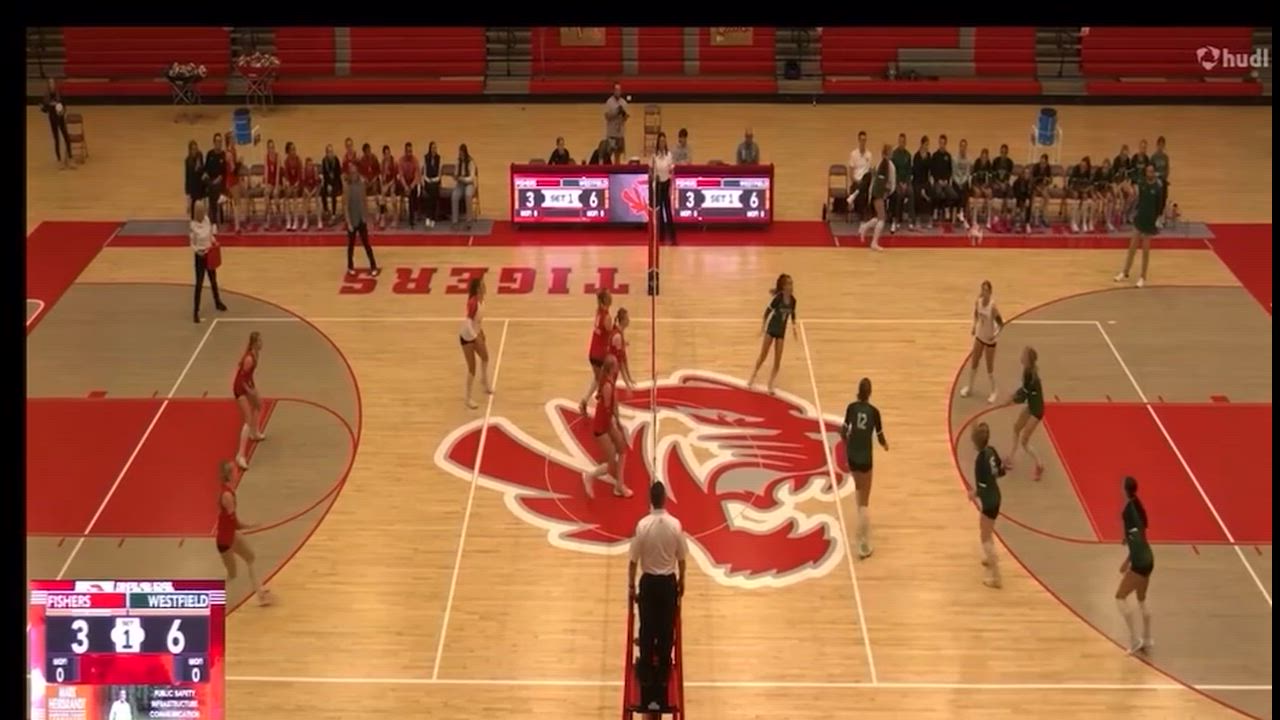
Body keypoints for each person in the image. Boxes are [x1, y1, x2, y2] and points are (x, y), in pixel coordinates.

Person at [628, 481, 686, 713]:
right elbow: (681, 558)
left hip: (649, 584)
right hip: (667, 584)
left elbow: (633, 561)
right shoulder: (675, 525)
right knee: (665, 629)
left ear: (650, 500)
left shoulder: (643, 525)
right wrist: (682, 581)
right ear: (665, 499)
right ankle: (663, 670)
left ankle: (645, 670)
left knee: (647, 629)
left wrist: (631, 586)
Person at [840, 377, 889, 559]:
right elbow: (880, 436)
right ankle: (862, 542)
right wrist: (885, 445)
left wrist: (848, 443)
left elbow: (843, 431)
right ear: (870, 393)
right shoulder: (874, 412)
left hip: (852, 456)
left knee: (859, 490)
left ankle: (861, 525)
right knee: (864, 502)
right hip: (866, 459)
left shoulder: (851, 408)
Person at [216, 460, 273, 606]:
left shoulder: (229, 491)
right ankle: (214, 599)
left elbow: (232, 524)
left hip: (231, 534)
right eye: (235, 471)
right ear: (230, 475)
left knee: (250, 557)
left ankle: (260, 593)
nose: (237, 472)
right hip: (225, 540)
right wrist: (251, 526)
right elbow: (235, 523)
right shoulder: (227, 496)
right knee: (232, 575)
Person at [582, 355, 631, 499]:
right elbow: (608, 409)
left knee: (622, 449)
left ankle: (619, 486)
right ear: (612, 368)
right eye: (616, 365)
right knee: (611, 464)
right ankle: (589, 476)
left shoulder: (609, 381)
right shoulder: (608, 386)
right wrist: (617, 424)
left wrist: (618, 424)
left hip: (607, 423)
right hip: (602, 426)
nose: (618, 367)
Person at [1115, 475, 1154, 654]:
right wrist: (1128, 538)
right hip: (1149, 558)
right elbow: (1140, 533)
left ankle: (1134, 639)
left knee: (1120, 597)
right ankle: (1148, 639)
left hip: (1140, 561)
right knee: (1141, 599)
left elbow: (1135, 541)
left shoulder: (1127, 512)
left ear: (1125, 490)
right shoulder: (1138, 505)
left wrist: (1127, 562)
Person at [968, 422, 1006, 588]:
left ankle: (996, 577)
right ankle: (990, 558)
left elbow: (982, 488)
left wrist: (973, 494)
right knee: (987, 530)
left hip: (989, 501)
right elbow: (1001, 471)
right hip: (995, 495)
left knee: (984, 536)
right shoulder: (991, 450)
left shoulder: (980, 461)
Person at [747, 274, 797, 395]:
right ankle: (753, 375)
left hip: (781, 333)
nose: (791, 286)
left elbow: (793, 314)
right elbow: (767, 312)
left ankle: (770, 383)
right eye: (789, 284)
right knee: (763, 355)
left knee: (777, 360)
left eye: (792, 284)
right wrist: (763, 328)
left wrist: (794, 327)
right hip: (771, 330)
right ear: (783, 286)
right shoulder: (778, 299)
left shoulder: (793, 301)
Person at [1114, 164, 1162, 288]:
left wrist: (1156, 220)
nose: (1149, 173)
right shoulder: (1142, 184)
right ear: (1146, 172)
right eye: (1148, 171)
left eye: (1151, 171)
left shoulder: (1157, 188)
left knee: (1145, 251)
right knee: (1132, 248)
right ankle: (1125, 272)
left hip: (1149, 221)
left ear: (1154, 173)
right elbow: (1133, 193)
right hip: (1139, 219)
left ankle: (1142, 277)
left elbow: (1159, 206)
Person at [1004, 346, 1045, 480]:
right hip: (1031, 405)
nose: (1021, 356)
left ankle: (1039, 465)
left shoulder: (1031, 376)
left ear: (1027, 360)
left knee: (1024, 441)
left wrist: (1011, 400)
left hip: (1037, 411)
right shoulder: (1027, 371)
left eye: (1023, 355)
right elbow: (1023, 390)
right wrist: (1013, 396)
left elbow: (1023, 396)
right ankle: (1011, 458)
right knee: (1016, 428)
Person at [960, 280, 1003, 403]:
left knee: (989, 368)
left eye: (986, 290)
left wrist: (994, 335)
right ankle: (970, 387)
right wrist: (974, 326)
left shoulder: (992, 307)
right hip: (980, 336)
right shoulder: (978, 302)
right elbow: (976, 315)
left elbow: (1001, 324)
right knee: (974, 362)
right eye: (983, 290)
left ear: (990, 292)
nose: (984, 292)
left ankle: (994, 391)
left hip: (990, 339)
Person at [233, 332, 268, 470]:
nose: (262, 343)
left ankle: (255, 433)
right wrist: (250, 391)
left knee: (258, 405)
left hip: (247, 384)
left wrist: (253, 388)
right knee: (247, 419)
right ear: (254, 343)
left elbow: (249, 375)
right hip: (239, 388)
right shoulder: (249, 359)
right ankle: (240, 455)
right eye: (260, 341)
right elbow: (241, 379)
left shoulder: (256, 354)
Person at [190, 201, 227, 324]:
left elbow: (210, 235)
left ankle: (217, 302)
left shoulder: (206, 220)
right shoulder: (193, 226)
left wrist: (214, 241)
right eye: (200, 211)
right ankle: (195, 311)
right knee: (199, 284)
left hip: (209, 254)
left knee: (213, 280)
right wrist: (198, 251)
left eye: (203, 210)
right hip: (200, 256)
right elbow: (192, 244)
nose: (202, 213)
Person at [459, 277, 494, 409]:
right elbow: (468, 322)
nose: (485, 286)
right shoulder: (473, 302)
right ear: (478, 288)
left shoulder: (482, 300)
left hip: (476, 333)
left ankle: (484, 381)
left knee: (485, 357)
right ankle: (467, 398)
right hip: (467, 338)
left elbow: (477, 321)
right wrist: (475, 337)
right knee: (472, 369)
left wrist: (481, 332)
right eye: (482, 285)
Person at [579, 289, 615, 415]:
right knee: (604, 384)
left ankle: (584, 401)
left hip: (593, 352)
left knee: (597, 379)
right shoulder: (607, 317)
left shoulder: (598, 312)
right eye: (609, 296)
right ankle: (604, 412)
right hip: (600, 354)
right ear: (605, 300)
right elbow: (611, 335)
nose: (611, 297)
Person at [343, 165, 381, 277]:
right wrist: (348, 223)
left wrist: (367, 218)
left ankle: (373, 266)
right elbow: (345, 206)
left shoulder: (361, 184)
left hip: (361, 218)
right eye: (352, 173)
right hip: (352, 219)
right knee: (351, 245)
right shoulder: (347, 187)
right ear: (349, 174)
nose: (354, 175)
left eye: (356, 172)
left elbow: (364, 202)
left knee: (366, 244)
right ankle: (350, 266)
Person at [856, 144, 893, 251]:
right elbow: (881, 180)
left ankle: (864, 227)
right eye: (891, 151)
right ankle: (874, 242)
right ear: (887, 153)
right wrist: (884, 191)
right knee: (882, 218)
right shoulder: (885, 163)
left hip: (877, 193)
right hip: (878, 194)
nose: (892, 153)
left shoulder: (883, 163)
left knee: (879, 217)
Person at [39, 78, 74, 169]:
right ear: (48, 85)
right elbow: (44, 109)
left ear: (55, 84)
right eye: (50, 83)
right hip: (52, 119)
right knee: (56, 139)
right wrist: (44, 107)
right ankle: (59, 158)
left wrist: (63, 111)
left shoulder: (59, 94)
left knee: (66, 136)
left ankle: (70, 155)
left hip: (60, 118)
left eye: (53, 83)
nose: (52, 85)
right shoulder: (46, 96)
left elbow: (64, 105)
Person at [651, 131, 676, 245]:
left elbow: (671, 170)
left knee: (668, 209)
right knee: (659, 210)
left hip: (666, 183)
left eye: (664, 141)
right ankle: (661, 235)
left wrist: (671, 182)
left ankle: (672, 235)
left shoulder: (669, 155)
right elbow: (651, 170)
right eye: (660, 141)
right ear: (658, 142)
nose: (662, 143)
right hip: (658, 184)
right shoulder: (654, 156)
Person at [930, 134, 958, 224]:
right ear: (939, 143)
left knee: (954, 195)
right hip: (937, 182)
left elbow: (950, 170)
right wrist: (938, 180)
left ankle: (946, 208)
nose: (942, 145)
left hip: (946, 182)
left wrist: (946, 180)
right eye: (940, 143)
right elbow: (932, 170)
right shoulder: (935, 155)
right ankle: (936, 210)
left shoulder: (948, 156)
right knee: (939, 193)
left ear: (946, 144)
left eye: (943, 143)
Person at [889, 133, 913, 233]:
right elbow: (893, 171)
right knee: (898, 194)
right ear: (898, 142)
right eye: (900, 141)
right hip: (896, 182)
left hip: (906, 181)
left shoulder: (908, 155)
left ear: (905, 143)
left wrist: (906, 183)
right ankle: (897, 220)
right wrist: (899, 183)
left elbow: (909, 171)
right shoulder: (894, 155)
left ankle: (911, 220)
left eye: (903, 142)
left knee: (911, 192)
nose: (902, 143)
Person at [847, 130, 873, 220]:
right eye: (861, 140)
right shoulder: (853, 154)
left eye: (865, 140)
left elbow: (869, 170)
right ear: (858, 140)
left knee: (868, 176)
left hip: (865, 180)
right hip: (856, 181)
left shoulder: (869, 154)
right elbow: (851, 173)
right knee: (861, 189)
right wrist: (856, 180)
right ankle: (862, 213)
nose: (863, 142)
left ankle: (854, 195)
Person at [451, 143, 477, 228]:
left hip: (469, 184)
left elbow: (471, 178)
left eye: (462, 154)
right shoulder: (458, 161)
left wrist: (462, 179)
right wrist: (455, 177)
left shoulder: (471, 162)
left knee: (468, 195)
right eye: (460, 154)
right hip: (460, 184)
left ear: (465, 153)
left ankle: (469, 220)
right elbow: (456, 173)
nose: (461, 156)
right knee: (454, 195)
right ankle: (455, 221)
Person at [989, 144, 1015, 230]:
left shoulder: (1010, 162)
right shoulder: (995, 161)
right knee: (998, 194)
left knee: (1011, 195)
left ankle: (1007, 219)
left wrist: (1005, 184)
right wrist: (1000, 184)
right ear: (1000, 152)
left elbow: (1009, 176)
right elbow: (993, 176)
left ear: (1007, 153)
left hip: (1005, 183)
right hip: (996, 183)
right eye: (1002, 152)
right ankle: (996, 220)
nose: (1003, 154)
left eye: (1005, 152)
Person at [1066, 156, 1093, 233]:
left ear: (1087, 166)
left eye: (1084, 166)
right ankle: (1073, 222)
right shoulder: (1076, 169)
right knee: (1076, 195)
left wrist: (1086, 189)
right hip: (1074, 188)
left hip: (1083, 189)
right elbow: (1071, 181)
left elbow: (1090, 184)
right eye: (1081, 164)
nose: (1082, 166)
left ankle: (1084, 222)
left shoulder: (1088, 172)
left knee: (1085, 197)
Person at [204, 133, 227, 225]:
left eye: (220, 141)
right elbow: (206, 169)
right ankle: (214, 216)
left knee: (214, 189)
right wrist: (206, 175)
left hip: (220, 181)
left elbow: (224, 172)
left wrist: (217, 180)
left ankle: (213, 217)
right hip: (210, 180)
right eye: (217, 141)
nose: (219, 143)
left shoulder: (223, 155)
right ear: (214, 142)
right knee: (211, 187)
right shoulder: (210, 154)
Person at [223, 134, 244, 234]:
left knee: (238, 200)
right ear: (229, 140)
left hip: (235, 179)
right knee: (237, 201)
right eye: (233, 138)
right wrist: (240, 162)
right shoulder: (228, 153)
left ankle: (239, 221)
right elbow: (233, 170)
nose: (234, 140)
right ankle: (237, 225)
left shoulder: (233, 150)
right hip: (231, 180)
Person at [911, 136, 933, 229]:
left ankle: (930, 219)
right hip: (917, 181)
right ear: (922, 144)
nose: (927, 146)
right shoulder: (916, 156)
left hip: (925, 181)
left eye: (928, 145)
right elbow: (916, 171)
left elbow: (930, 169)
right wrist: (922, 189)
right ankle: (918, 219)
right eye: (926, 144)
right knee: (917, 195)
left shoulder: (929, 155)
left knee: (931, 193)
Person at [604, 82, 629, 163]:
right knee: (608, 155)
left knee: (618, 156)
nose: (618, 92)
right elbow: (607, 117)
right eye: (616, 90)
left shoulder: (624, 103)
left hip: (620, 134)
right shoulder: (609, 102)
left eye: (619, 90)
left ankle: (617, 169)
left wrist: (624, 114)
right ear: (613, 91)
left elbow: (625, 118)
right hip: (611, 134)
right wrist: (616, 112)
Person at [398, 142, 421, 228]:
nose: (409, 153)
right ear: (405, 151)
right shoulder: (401, 161)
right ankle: (409, 217)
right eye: (408, 151)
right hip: (403, 182)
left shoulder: (415, 160)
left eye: (411, 151)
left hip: (412, 182)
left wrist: (411, 186)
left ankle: (413, 216)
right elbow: (401, 176)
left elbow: (417, 175)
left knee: (414, 192)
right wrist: (405, 187)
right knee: (406, 191)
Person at [969, 148, 993, 230]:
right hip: (976, 185)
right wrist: (979, 187)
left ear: (987, 157)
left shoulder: (989, 164)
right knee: (977, 192)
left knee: (989, 193)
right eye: (982, 157)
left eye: (985, 157)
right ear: (980, 156)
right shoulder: (977, 163)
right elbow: (974, 178)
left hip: (984, 186)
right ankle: (974, 220)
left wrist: (985, 187)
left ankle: (988, 220)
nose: (984, 159)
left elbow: (990, 178)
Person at [320, 144, 343, 227]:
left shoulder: (336, 160)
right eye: (329, 152)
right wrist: (328, 185)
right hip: (328, 182)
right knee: (322, 191)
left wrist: (332, 185)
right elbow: (325, 175)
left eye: (331, 152)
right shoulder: (324, 161)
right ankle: (326, 210)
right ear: (326, 153)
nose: (330, 153)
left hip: (336, 182)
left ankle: (333, 214)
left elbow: (338, 175)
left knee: (334, 193)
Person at [282, 141, 303, 231]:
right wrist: (287, 183)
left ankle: (296, 220)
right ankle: (288, 220)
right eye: (292, 149)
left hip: (298, 183)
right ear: (288, 151)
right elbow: (286, 174)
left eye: (294, 149)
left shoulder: (298, 160)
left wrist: (296, 183)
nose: (294, 151)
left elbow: (300, 174)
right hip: (290, 184)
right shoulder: (286, 161)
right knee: (286, 195)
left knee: (294, 193)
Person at [421, 141, 443, 228]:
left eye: (435, 148)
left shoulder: (439, 158)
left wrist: (434, 180)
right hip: (428, 181)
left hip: (435, 181)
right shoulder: (426, 158)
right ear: (430, 149)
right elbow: (424, 172)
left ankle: (430, 217)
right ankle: (431, 217)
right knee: (431, 193)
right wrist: (428, 179)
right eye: (433, 148)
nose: (434, 149)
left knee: (432, 192)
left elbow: (439, 174)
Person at [1150, 136, 1171, 225]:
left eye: (1162, 145)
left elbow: (1167, 169)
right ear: (1157, 145)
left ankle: (1161, 216)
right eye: (1159, 145)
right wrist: (1156, 177)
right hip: (1156, 180)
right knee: (1156, 199)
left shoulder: (1165, 157)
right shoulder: (1153, 157)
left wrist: (1164, 177)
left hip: (1163, 180)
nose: (1161, 147)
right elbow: (1151, 169)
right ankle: (1155, 216)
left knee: (1164, 198)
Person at [377, 144, 397, 229]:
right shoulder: (382, 163)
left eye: (388, 153)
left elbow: (395, 178)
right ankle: (383, 218)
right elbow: (381, 176)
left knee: (393, 198)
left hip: (393, 184)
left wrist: (388, 186)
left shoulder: (394, 163)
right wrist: (383, 184)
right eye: (386, 154)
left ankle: (395, 218)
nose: (387, 155)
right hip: (385, 184)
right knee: (382, 197)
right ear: (383, 155)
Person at [262, 139, 281, 230]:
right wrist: (266, 185)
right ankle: (268, 219)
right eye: (270, 148)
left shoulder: (278, 156)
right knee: (266, 193)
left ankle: (278, 215)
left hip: (278, 182)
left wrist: (276, 186)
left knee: (275, 194)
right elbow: (266, 172)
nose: (272, 149)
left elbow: (278, 173)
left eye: (273, 147)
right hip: (270, 182)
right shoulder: (266, 157)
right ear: (268, 149)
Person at [184, 140, 205, 220]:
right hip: (192, 186)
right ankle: (193, 220)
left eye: (196, 149)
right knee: (192, 205)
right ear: (190, 150)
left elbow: (203, 170)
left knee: (199, 205)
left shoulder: (199, 156)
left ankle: (199, 220)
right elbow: (187, 175)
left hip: (199, 185)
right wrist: (187, 191)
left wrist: (199, 168)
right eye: (193, 149)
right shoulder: (187, 160)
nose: (195, 151)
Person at [300, 156, 320, 230]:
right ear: (306, 165)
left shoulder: (315, 170)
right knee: (304, 197)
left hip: (315, 188)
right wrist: (308, 194)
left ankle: (319, 220)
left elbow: (317, 184)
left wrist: (311, 194)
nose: (310, 166)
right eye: (309, 165)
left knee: (317, 198)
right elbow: (303, 185)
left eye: (311, 165)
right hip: (307, 188)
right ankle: (306, 220)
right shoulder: (303, 171)